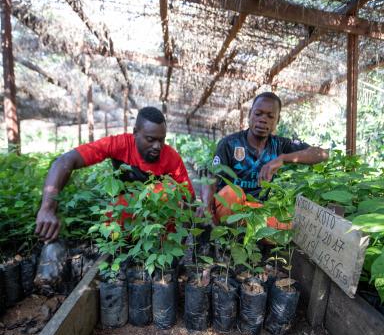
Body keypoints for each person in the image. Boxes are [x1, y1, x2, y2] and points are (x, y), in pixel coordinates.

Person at [35, 106, 194, 242]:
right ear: (135, 133)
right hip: (124, 216)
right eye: (151, 139)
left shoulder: (171, 158)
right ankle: (119, 244)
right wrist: (47, 208)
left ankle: (162, 248)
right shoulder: (119, 144)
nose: (157, 146)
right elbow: (64, 161)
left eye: (162, 140)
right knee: (121, 205)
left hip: (159, 224)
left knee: (170, 191)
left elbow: (189, 198)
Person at [200, 92, 329, 224]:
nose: (263, 119)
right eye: (258, 114)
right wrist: (206, 205)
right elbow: (211, 178)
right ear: (249, 115)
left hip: (257, 210)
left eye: (270, 116)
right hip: (228, 208)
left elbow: (322, 154)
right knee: (233, 193)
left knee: (287, 225)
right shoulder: (229, 144)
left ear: (277, 120)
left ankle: (255, 231)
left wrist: (283, 158)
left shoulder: (280, 145)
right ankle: (232, 234)